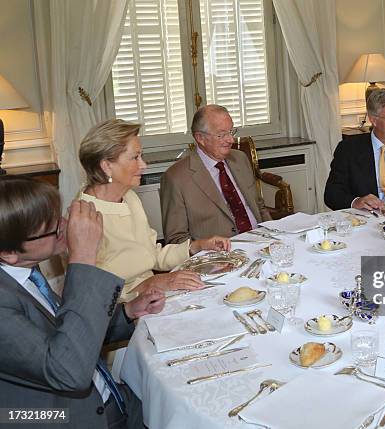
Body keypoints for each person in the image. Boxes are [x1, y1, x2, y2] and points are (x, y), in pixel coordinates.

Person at [0, 176, 166, 429]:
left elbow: (68, 332)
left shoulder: (26, 272)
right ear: (9, 253)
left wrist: (127, 312)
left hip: (114, 395)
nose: (66, 228)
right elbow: (68, 370)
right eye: (54, 229)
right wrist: (83, 257)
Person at [79, 119, 231, 301]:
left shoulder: (129, 197)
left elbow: (152, 255)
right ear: (107, 166)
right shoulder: (84, 218)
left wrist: (195, 246)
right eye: (135, 157)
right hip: (124, 315)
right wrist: (153, 284)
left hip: (151, 296)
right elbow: (94, 299)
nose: (144, 165)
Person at [160, 105, 272, 243]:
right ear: (200, 138)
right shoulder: (175, 178)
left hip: (261, 242)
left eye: (231, 132)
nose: (230, 139)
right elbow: (176, 239)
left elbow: (259, 206)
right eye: (222, 134)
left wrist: (274, 236)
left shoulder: (240, 158)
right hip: (219, 256)